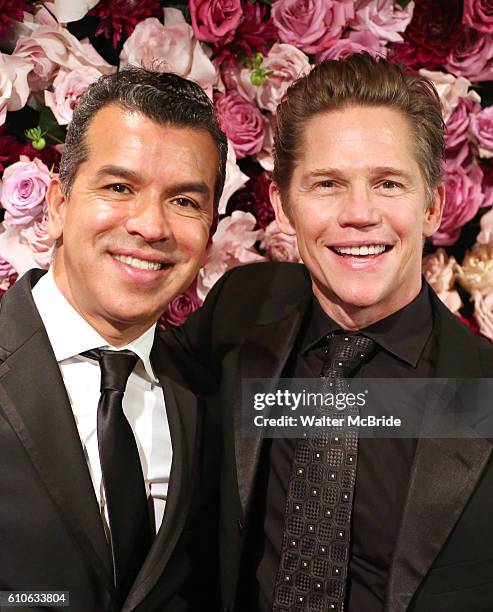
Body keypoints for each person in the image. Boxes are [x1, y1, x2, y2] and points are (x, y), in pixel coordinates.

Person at [167, 54, 493, 612]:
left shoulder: (483, 390)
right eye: (326, 184)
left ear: (434, 204)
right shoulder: (241, 310)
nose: (359, 214)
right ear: (283, 206)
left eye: (388, 183)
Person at [0, 67, 226, 611]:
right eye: (119, 187)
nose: (151, 225)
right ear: (57, 205)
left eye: (185, 201)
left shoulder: (205, 394)